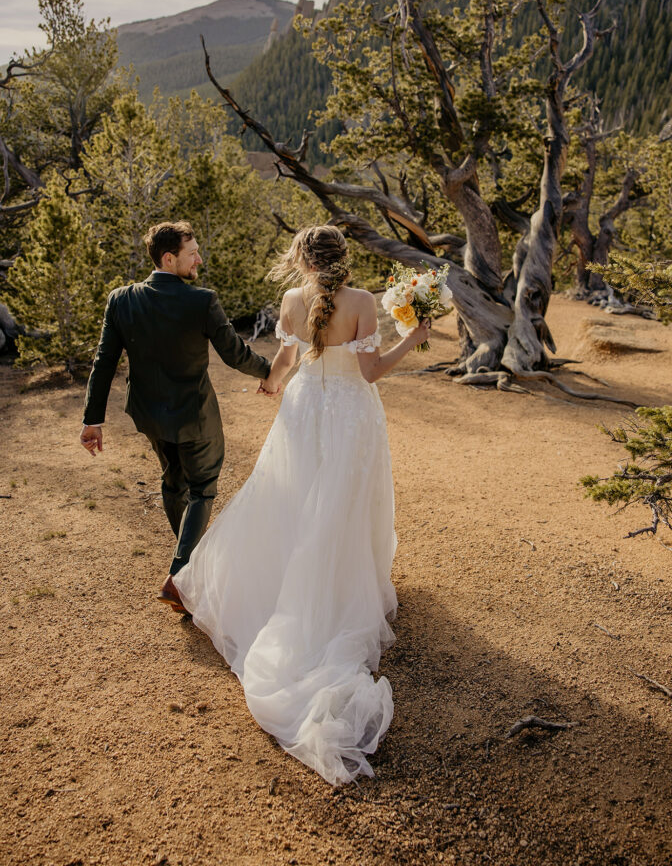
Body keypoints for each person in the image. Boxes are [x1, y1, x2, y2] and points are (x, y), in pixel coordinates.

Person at [174, 225, 430, 786]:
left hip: (304, 409)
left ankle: (281, 581)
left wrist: (272, 387)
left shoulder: (292, 300)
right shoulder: (362, 303)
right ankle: (336, 584)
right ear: (344, 258)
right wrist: (416, 333)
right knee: (339, 504)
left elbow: (286, 358)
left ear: (301, 259)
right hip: (348, 414)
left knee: (292, 498)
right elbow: (372, 371)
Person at [79, 221, 273, 609]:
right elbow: (235, 354)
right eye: (192, 253)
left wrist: (92, 420)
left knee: (172, 483)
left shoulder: (121, 299)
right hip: (195, 417)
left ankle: (189, 572)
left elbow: (104, 362)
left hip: (150, 417)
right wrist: (273, 372)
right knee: (202, 488)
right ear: (169, 258)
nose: (199, 259)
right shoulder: (202, 301)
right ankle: (180, 576)